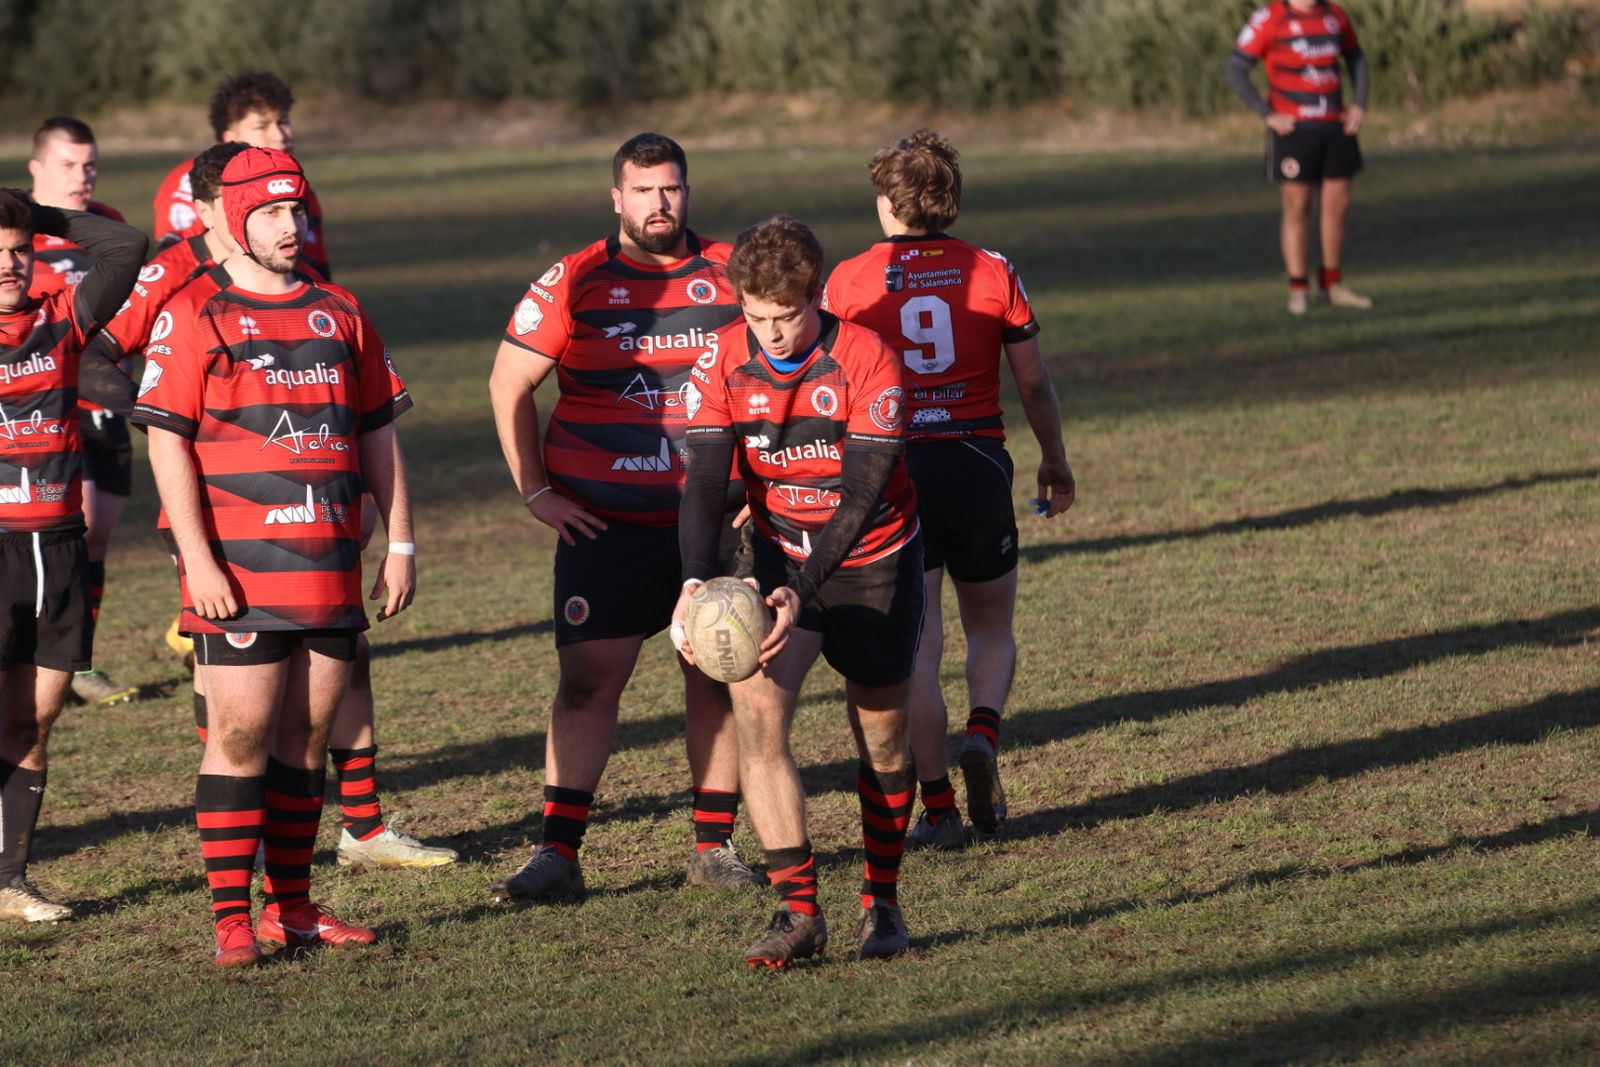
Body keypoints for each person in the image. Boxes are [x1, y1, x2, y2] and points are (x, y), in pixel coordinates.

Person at [94, 143, 455, 870]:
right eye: (272, 210)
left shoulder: (336, 305)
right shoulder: (184, 291)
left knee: (318, 712)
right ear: (220, 210)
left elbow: (377, 428)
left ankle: (339, 848)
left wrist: (401, 540)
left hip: (327, 541)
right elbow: (101, 362)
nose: (292, 224)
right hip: (226, 537)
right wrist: (163, 432)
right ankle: (241, 867)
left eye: (298, 207)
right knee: (240, 718)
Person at [487, 132, 760, 903]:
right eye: (643, 190)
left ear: (687, 191)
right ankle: (558, 853)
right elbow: (508, 383)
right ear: (617, 198)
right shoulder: (574, 279)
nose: (659, 204)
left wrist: (764, 487)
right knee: (586, 682)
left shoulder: (734, 270)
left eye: (670, 188)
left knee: (715, 673)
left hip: (715, 522)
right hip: (604, 526)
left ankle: (714, 846)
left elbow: (788, 370)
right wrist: (536, 491)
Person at [674, 214, 923, 967]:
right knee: (757, 714)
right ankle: (799, 909)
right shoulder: (722, 359)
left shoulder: (868, 357)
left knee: (882, 735)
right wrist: (693, 581)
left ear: (816, 296)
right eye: (756, 317)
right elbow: (704, 482)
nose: (772, 334)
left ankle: (882, 899)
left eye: (785, 316)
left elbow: (862, 495)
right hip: (777, 555)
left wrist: (804, 587)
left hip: (873, 560)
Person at [823, 130, 1076, 848]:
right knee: (991, 626)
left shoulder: (848, 280)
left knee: (919, 649)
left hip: (895, 469)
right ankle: (984, 734)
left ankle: (938, 809)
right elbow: (1033, 383)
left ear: (886, 202)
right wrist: (1054, 459)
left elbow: (827, 389)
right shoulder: (992, 270)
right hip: (976, 463)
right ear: (952, 202)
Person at [0, 188, 147, 922]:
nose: (10, 264)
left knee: (34, 719)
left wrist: (37, 214)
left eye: (18, 250)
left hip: (59, 546)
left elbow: (127, 247)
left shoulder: (62, 315)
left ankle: (10, 882)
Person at [26, 117, 138, 706]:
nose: (81, 176)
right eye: (67, 165)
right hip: (44, 405)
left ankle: (79, 660)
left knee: (99, 536)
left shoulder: (107, 225)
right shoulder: (16, 232)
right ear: (36, 169)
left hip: (106, 401)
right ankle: (48, 658)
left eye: (89, 164)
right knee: (73, 526)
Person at [1226, 0, 1373, 315]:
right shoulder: (1270, 19)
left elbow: (1356, 56)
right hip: (1294, 130)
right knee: (1298, 209)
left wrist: (1360, 103)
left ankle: (1332, 286)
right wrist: (1267, 114)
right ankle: (1298, 288)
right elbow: (1236, 69)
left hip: (1336, 126)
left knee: (1336, 208)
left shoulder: (1335, 15)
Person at [151, 70, 330, 278]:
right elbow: (173, 263)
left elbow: (318, 273)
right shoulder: (194, 179)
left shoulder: (297, 191)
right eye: (262, 126)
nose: (280, 136)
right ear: (230, 138)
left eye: (283, 122)